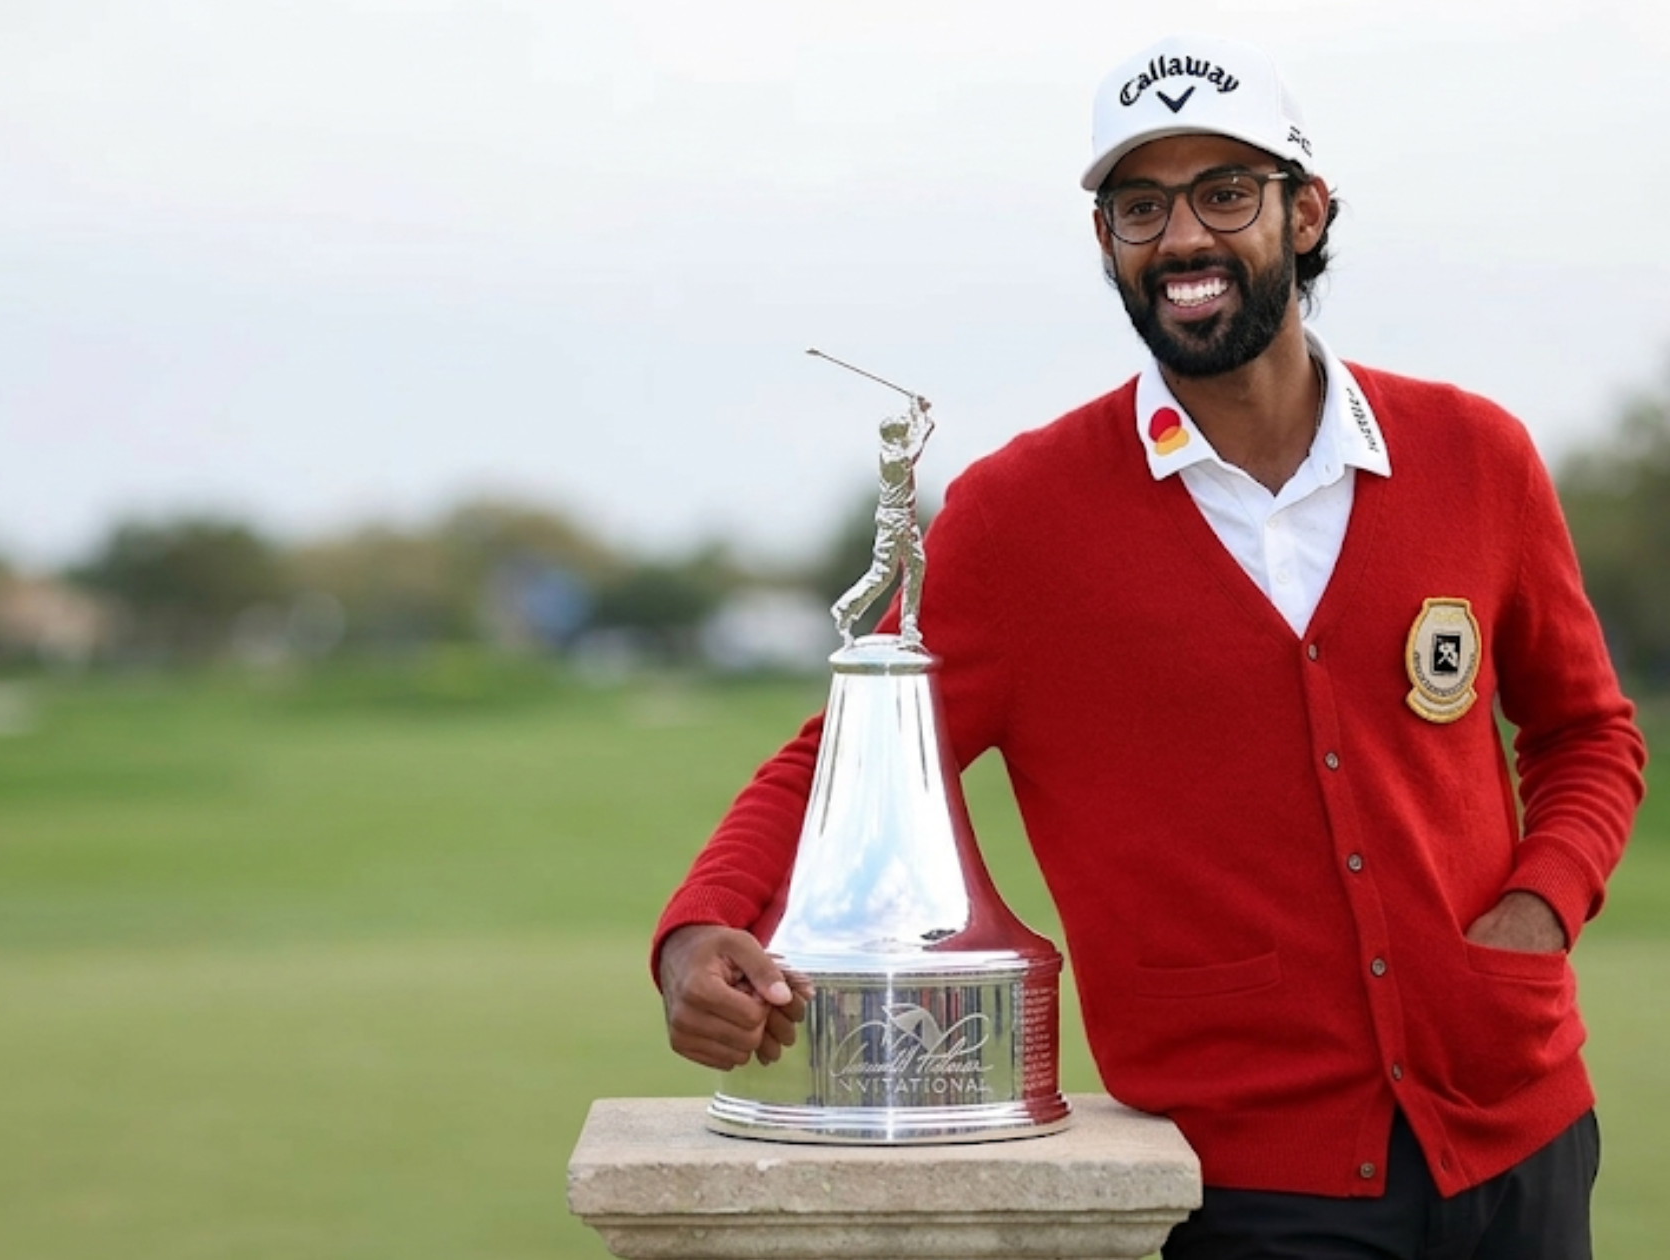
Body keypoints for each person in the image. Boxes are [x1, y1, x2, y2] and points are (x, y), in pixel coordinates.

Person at [654, 34, 1646, 1260]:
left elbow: (1584, 733)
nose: (1182, 237)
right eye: (1139, 206)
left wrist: (1539, 911)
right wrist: (698, 928)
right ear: (1105, 243)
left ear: (1306, 209)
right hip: (1235, 1181)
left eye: (1225, 192)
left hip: (1521, 1133)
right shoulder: (1022, 517)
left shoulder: (1475, 457)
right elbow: (848, 755)